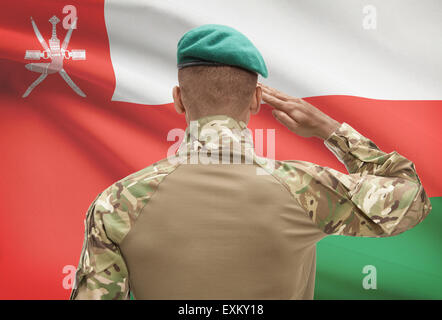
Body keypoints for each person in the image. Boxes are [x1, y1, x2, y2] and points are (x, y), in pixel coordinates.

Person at [70, 24, 432, 300]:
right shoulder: (305, 188)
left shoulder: (116, 203)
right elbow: (412, 198)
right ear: (258, 99)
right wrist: (329, 128)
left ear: (179, 100)